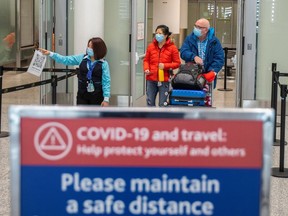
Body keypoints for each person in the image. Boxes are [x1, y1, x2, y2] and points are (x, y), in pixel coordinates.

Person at [40, 37, 110, 106]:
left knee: (95, 117)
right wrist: (50, 54)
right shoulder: (82, 58)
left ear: (98, 49)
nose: (88, 48)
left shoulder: (103, 64)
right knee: (81, 116)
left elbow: (106, 82)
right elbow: (65, 59)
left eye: (91, 47)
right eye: (88, 46)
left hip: (97, 96)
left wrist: (106, 99)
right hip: (82, 95)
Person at [180, 18, 224, 106]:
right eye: (195, 26)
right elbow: (183, 52)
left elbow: (219, 58)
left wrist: (213, 71)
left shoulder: (214, 41)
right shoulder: (189, 39)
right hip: (191, 74)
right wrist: (193, 56)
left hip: (207, 75)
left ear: (206, 30)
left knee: (205, 100)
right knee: (192, 100)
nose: (196, 28)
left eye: (199, 27)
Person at [143, 24, 181, 107]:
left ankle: (161, 119)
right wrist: (146, 68)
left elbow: (177, 63)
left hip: (164, 79)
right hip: (151, 78)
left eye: (160, 33)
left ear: (166, 35)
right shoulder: (151, 46)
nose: (157, 35)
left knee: (162, 103)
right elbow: (146, 60)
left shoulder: (172, 48)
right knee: (150, 101)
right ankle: (150, 118)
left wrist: (165, 66)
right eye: (156, 33)